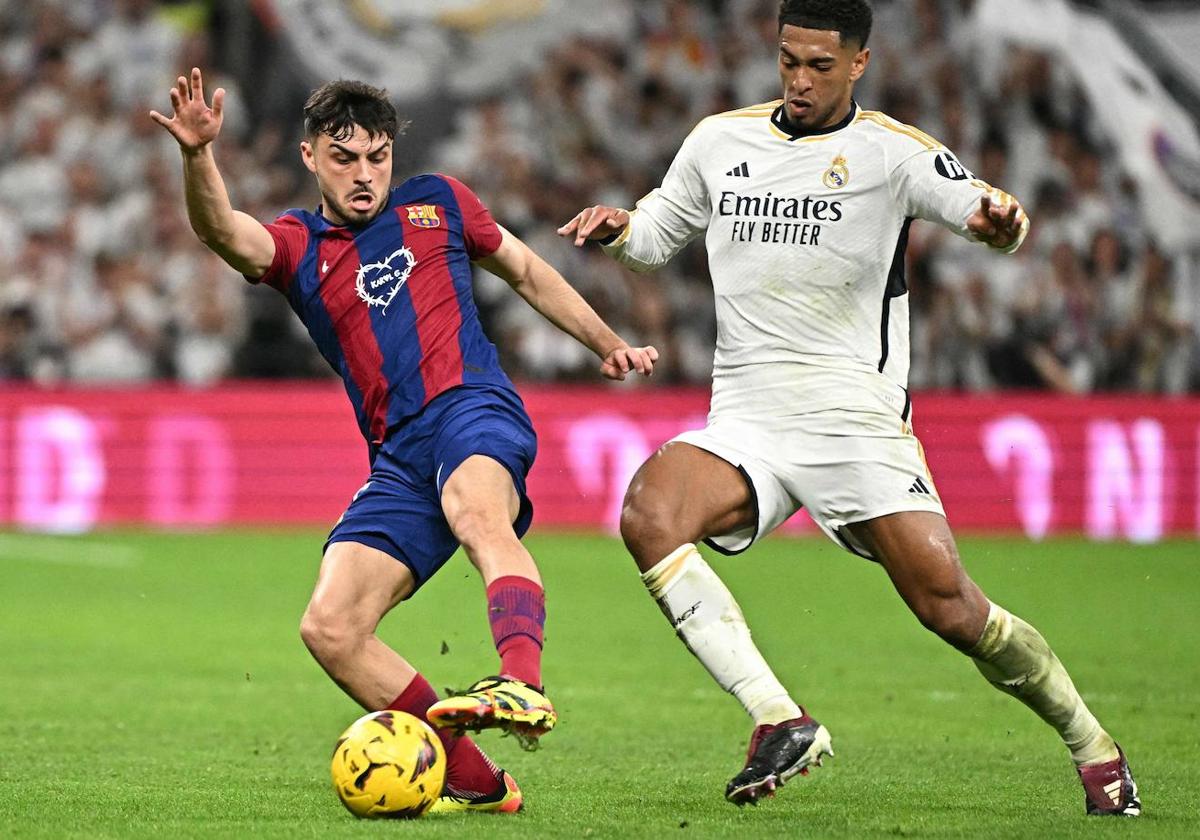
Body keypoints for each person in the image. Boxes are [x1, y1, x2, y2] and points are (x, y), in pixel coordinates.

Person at [558, 0, 1139, 817]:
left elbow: (983, 212)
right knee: (649, 514)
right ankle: (779, 720)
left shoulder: (892, 153)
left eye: (819, 66)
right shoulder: (721, 139)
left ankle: (1092, 745)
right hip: (748, 415)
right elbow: (658, 234)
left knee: (952, 609)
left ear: (859, 64)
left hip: (853, 418)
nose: (799, 79)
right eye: (789, 60)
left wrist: (1003, 222)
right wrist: (622, 229)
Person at [152, 69, 657, 813]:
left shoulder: (441, 202)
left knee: (474, 507)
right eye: (345, 158)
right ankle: (485, 788)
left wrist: (606, 341)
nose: (365, 175)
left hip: (471, 407)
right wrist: (199, 157)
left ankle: (523, 681)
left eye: (377, 157)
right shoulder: (298, 246)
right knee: (331, 627)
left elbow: (522, 267)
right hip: (396, 456)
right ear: (310, 157)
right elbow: (221, 230)